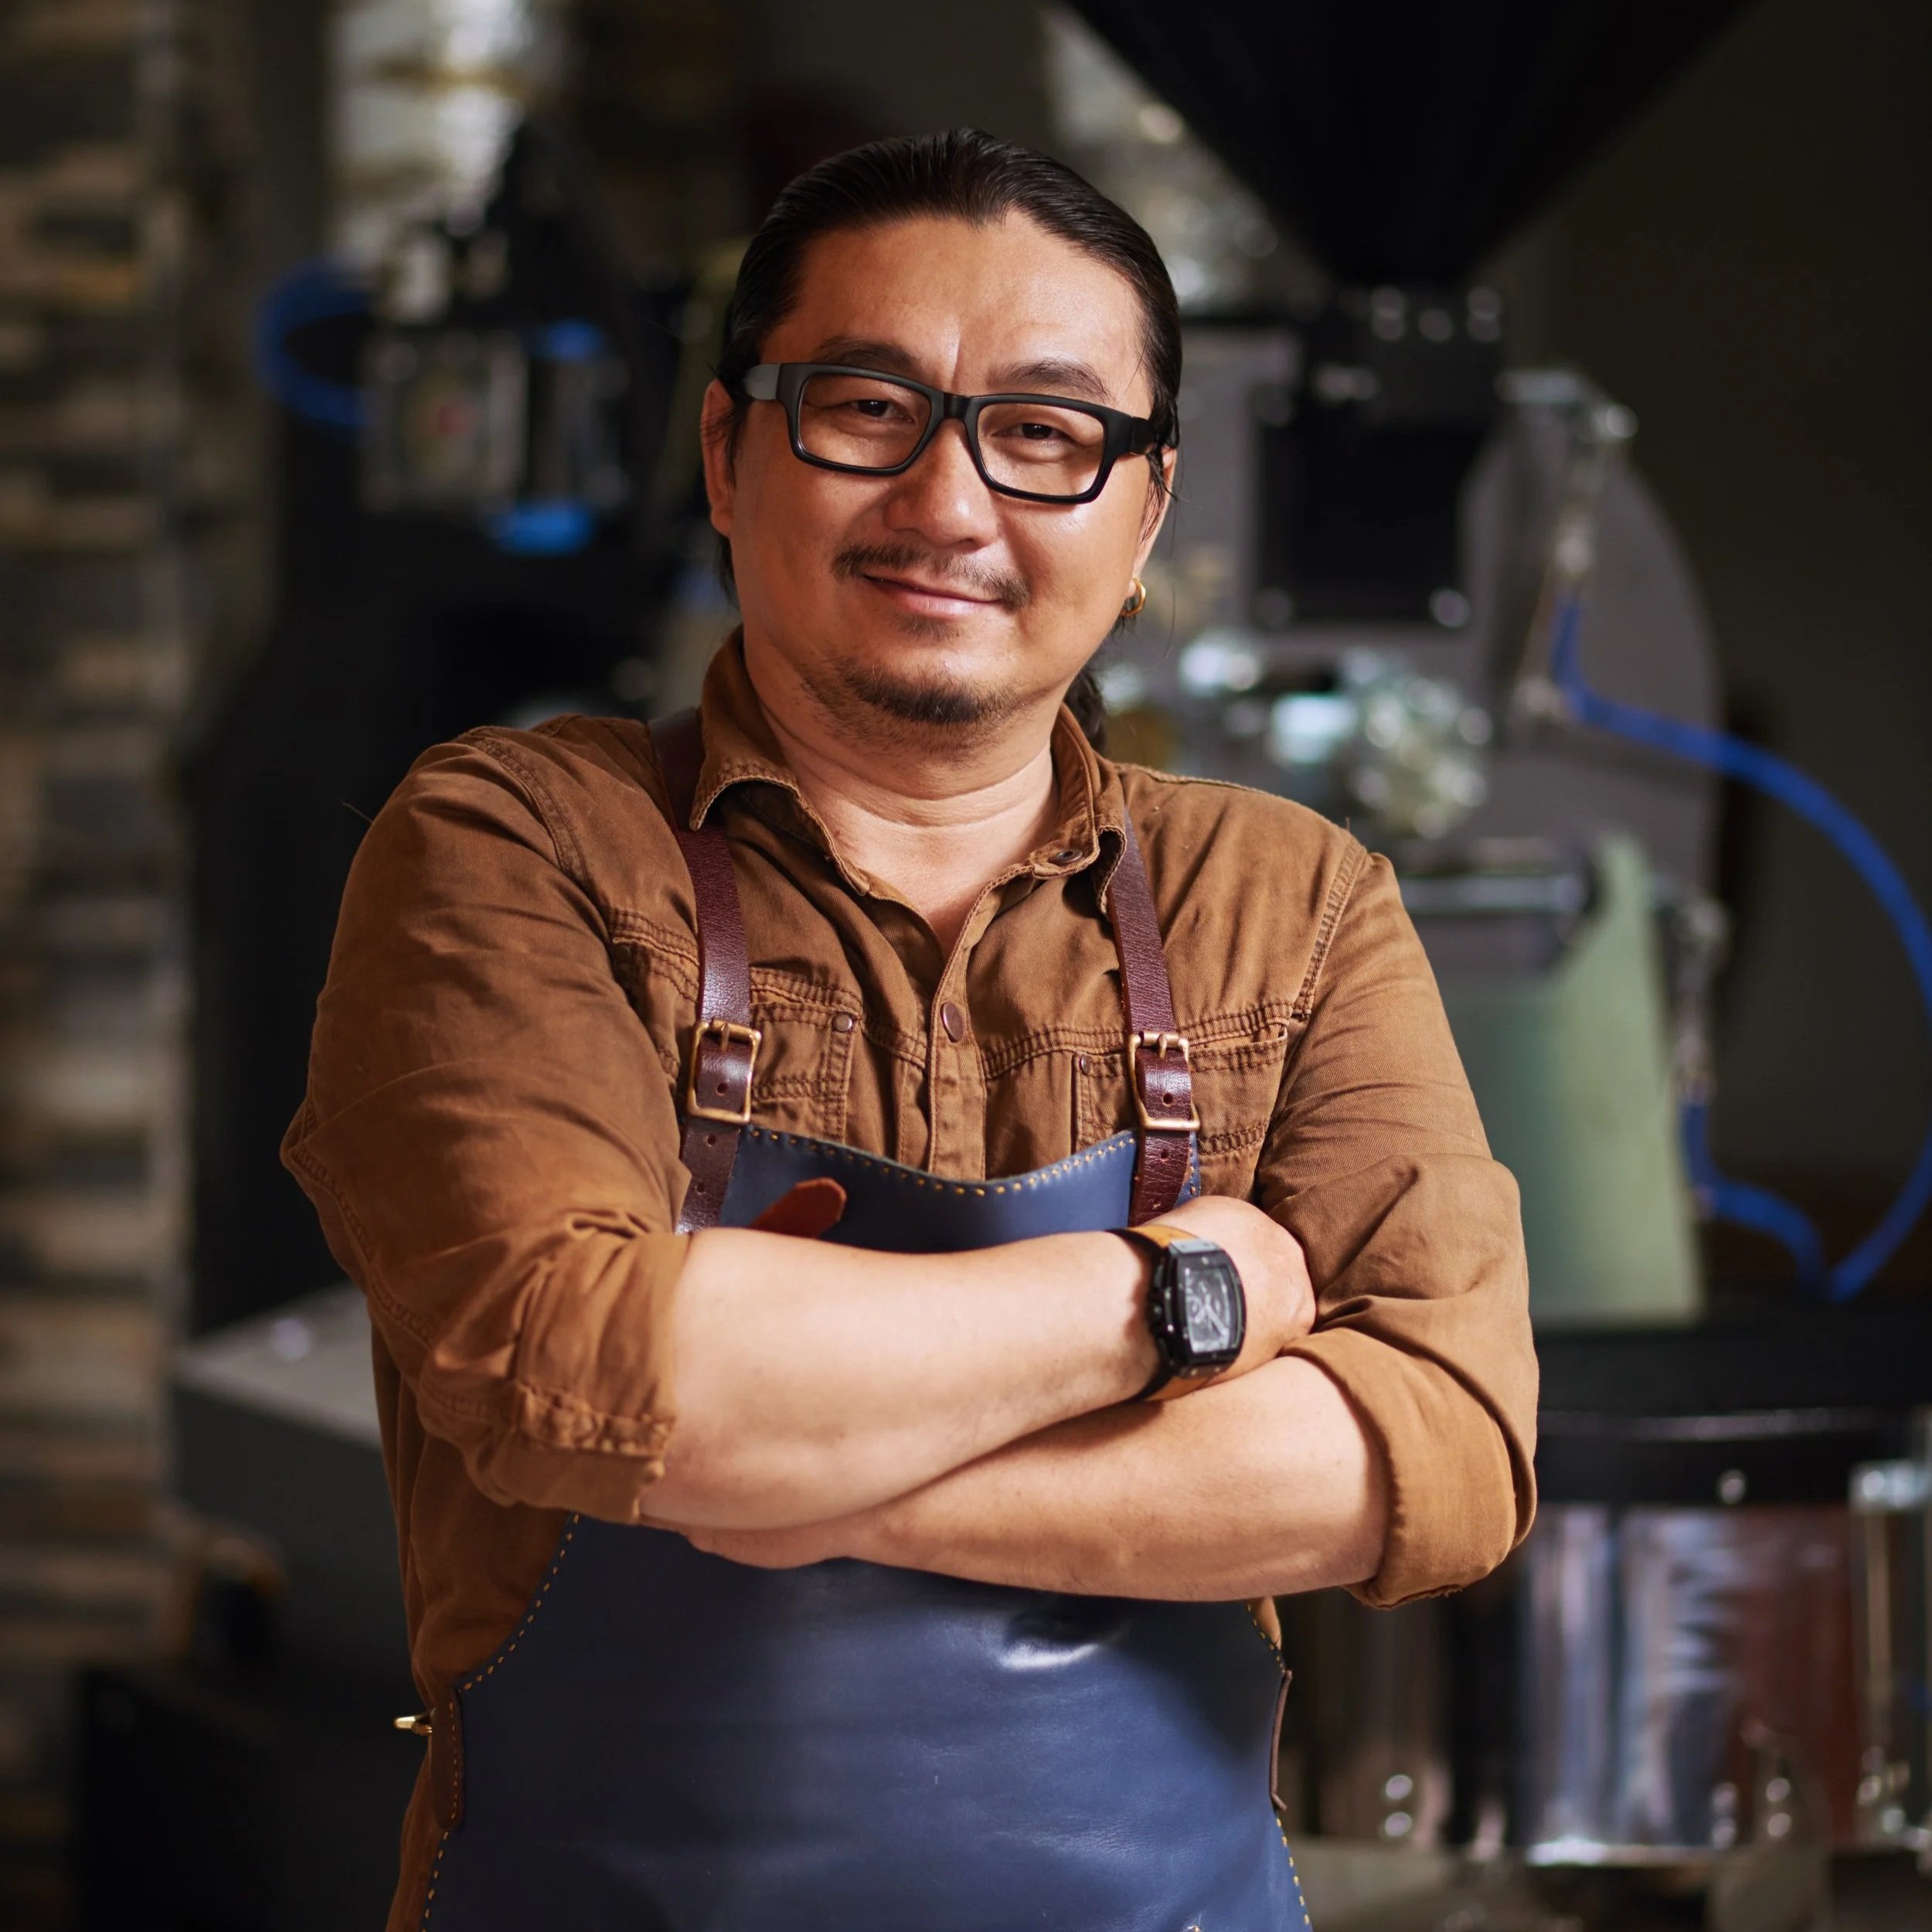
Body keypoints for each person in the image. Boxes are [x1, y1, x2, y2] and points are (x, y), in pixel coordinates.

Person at [284, 129, 1535, 1932]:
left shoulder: (1288, 900)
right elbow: (593, 1371)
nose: (948, 503)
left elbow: (1441, 1445)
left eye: (1044, 432)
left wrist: (819, 1486)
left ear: (1145, 509)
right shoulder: (518, 842)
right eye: (868, 408)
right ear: (727, 454)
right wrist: (1183, 1293)